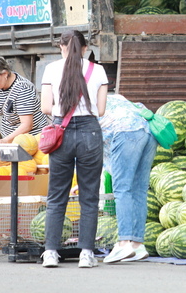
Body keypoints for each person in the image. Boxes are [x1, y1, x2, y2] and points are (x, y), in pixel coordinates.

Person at [39, 30, 109, 268]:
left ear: (61, 47)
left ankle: (50, 252)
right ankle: (86, 254)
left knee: (57, 195)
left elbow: (46, 107)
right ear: (86, 48)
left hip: (61, 132)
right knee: (89, 197)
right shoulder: (97, 70)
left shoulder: (50, 69)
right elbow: (100, 110)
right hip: (90, 132)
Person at [99, 94, 157, 264]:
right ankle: (137, 245)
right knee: (139, 190)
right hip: (148, 133)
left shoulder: (84, 107)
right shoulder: (114, 97)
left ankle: (124, 243)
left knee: (122, 189)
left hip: (126, 133)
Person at [0, 56, 48, 148]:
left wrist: (5, 140)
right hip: (10, 141)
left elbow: (27, 125)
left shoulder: (23, 88)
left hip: (32, 141)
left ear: (5, 74)